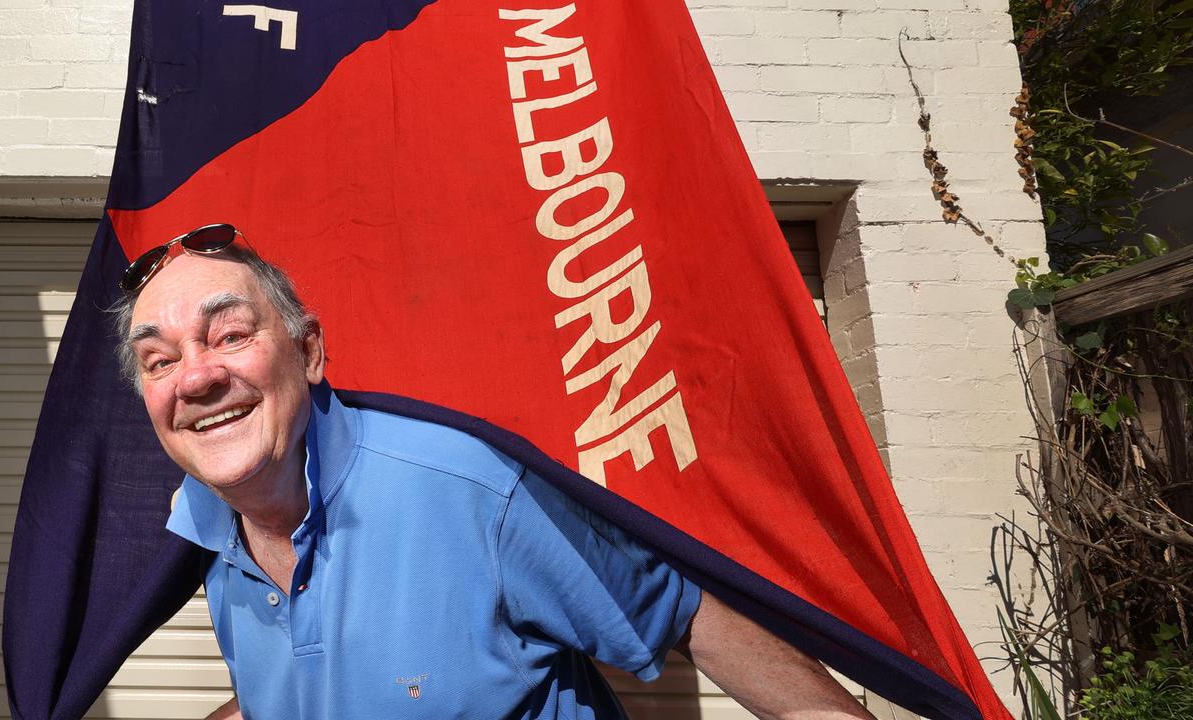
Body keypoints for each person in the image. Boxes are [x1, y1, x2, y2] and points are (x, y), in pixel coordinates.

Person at [111, 225, 873, 720]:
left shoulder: (470, 491)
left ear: (308, 352)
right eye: (160, 360)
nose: (197, 377)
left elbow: (682, 617)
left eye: (230, 335)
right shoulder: (207, 528)